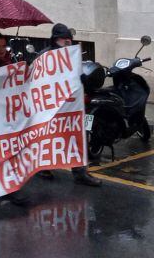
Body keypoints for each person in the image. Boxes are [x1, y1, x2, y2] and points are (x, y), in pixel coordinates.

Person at [35, 23, 102, 187]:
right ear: (55, 40)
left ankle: (80, 172)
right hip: (51, 107)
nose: (67, 43)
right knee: (48, 137)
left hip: (71, 106)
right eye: (63, 40)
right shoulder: (45, 57)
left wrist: (84, 81)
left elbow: (78, 75)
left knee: (76, 136)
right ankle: (45, 167)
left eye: (68, 40)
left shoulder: (72, 57)